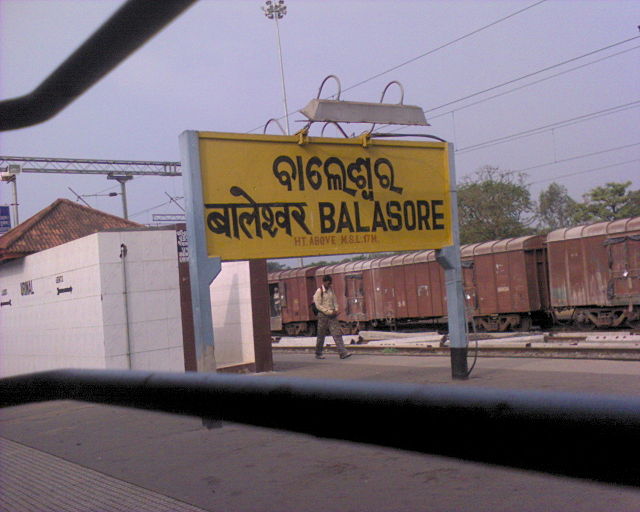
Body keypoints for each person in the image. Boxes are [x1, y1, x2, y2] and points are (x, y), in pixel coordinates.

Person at [313, 275, 352, 360]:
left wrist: (336, 309)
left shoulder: (331, 290)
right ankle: (318, 353)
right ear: (324, 282)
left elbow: (335, 301)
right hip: (323, 316)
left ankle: (343, 352)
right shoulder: (319, 291)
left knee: (337, 333)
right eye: (328, 283)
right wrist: (328, 312)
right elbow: (318, 305)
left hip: (332, 315)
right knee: (321, 335)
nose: (329, 284)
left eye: (330, 283)